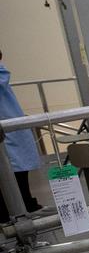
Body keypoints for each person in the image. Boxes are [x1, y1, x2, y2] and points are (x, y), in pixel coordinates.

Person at [0, 51, 42, 224]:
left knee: (18, 170)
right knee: (14, 171)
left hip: (11, 125)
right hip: (8, 126)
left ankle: (25, 202)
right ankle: (20, 206)